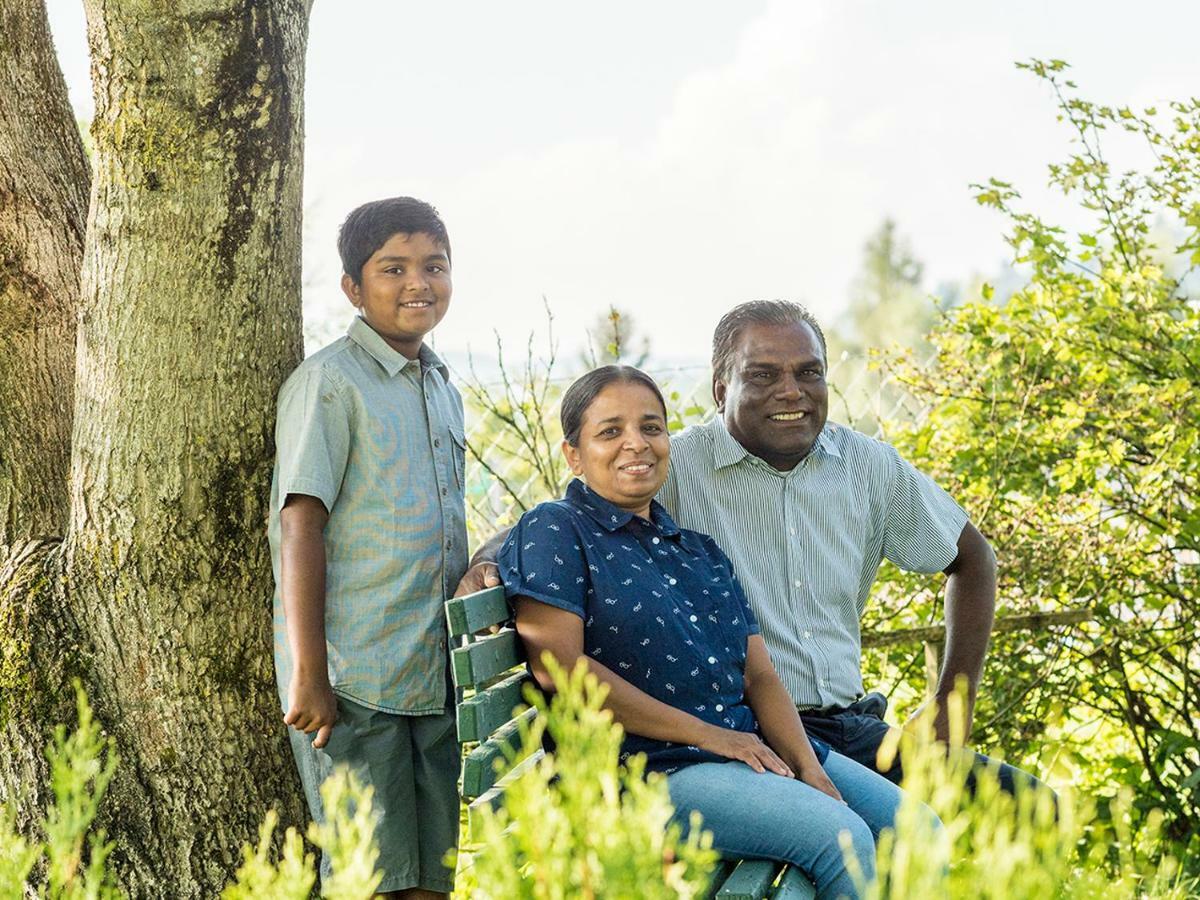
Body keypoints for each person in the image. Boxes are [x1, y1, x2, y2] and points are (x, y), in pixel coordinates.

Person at [460, 299, 1045, 796]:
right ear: (721, 389)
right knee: (870, 839)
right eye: (762, 375)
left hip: (855, 730)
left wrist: (950, 702)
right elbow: (560, 522)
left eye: (809, 372)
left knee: (1028, 806)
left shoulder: (870, 467)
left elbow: (972, 559)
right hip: (750, 734)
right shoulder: (672, 465)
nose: (791, 391)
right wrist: (488, 562)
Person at [497, 365, 939, 900]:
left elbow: (759, 676)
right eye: (610, 431)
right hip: (643, 771)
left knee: (920, 831)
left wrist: (808, 768)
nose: (635, 443)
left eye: (651, 427)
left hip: (740, 750)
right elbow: (560, 670)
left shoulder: (698, 551)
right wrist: (712, 736)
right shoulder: (557, 528)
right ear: (574, 454)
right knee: (840, 838)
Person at [269, 197, 466, 899]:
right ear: (354, 288)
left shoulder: (441, 386)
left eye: (434, 266)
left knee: (434, 872)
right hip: (352, 679)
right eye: (394, 268)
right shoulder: (331, 383)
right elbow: (301, 523)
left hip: (430, 667)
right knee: (367, 876)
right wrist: (309, 673)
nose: (419, 282)